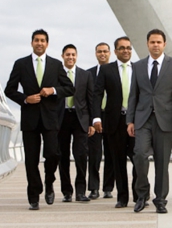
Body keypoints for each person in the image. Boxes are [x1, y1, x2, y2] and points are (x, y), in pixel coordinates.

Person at [4, 29, 74, 210]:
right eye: (36, 40)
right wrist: (25, 99)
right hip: (30, 118)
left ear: (47, 44)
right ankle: (34, 195)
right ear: (32, 43)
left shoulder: (56, 65)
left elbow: (70, 88)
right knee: (31, 159)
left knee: (53, 154)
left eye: (43, 41)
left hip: (50, 118)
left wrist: (53, 90)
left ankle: (49, 181)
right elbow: (9, 90)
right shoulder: (21, 64)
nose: (39, 43)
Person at [127, 29, 172, 214]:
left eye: (158, 42)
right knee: (139, 154)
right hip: (143, 119)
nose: (155, 45)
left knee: (162, 162)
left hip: (166, 119)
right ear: (147, 44)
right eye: (152, 42)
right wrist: (130, 120)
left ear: (164, 44)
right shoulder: (138, 66)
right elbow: (133, 95)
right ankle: (142, 194)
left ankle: (160, 199)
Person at [93, 36, 141, 208]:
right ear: (115, 51)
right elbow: (97, 94)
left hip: (136, 121)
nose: (126, 51)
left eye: (128, 48)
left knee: (138, 159)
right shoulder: (106, 70)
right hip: (114, 121)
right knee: (118, 160)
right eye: (122, 48)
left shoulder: (139, 68)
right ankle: (122, 197)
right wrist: (96, 117)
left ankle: (139, 195)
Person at [57, 44, 94, 203]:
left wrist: (92, 122)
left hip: (81, 119)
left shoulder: (85, 75)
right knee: (62, 155)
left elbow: (91, 100)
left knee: (80, 154)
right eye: (67, 54)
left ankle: (80, 191)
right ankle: (67, 191)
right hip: (61, 118)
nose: (70, 57)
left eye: (73, 54)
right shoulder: (56, 75)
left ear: (76, 56)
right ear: (62, 56)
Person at [87, 42, 115, 200]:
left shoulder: (115, 71)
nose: (102, 54)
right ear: (95, 54)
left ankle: (108, 187)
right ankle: (93, 188)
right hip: (94, 117)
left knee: (111, 153)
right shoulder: (88, 74)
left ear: (110, 53)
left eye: (105, 51)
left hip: (111, 117)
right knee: (94, 153)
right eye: (99, 52)